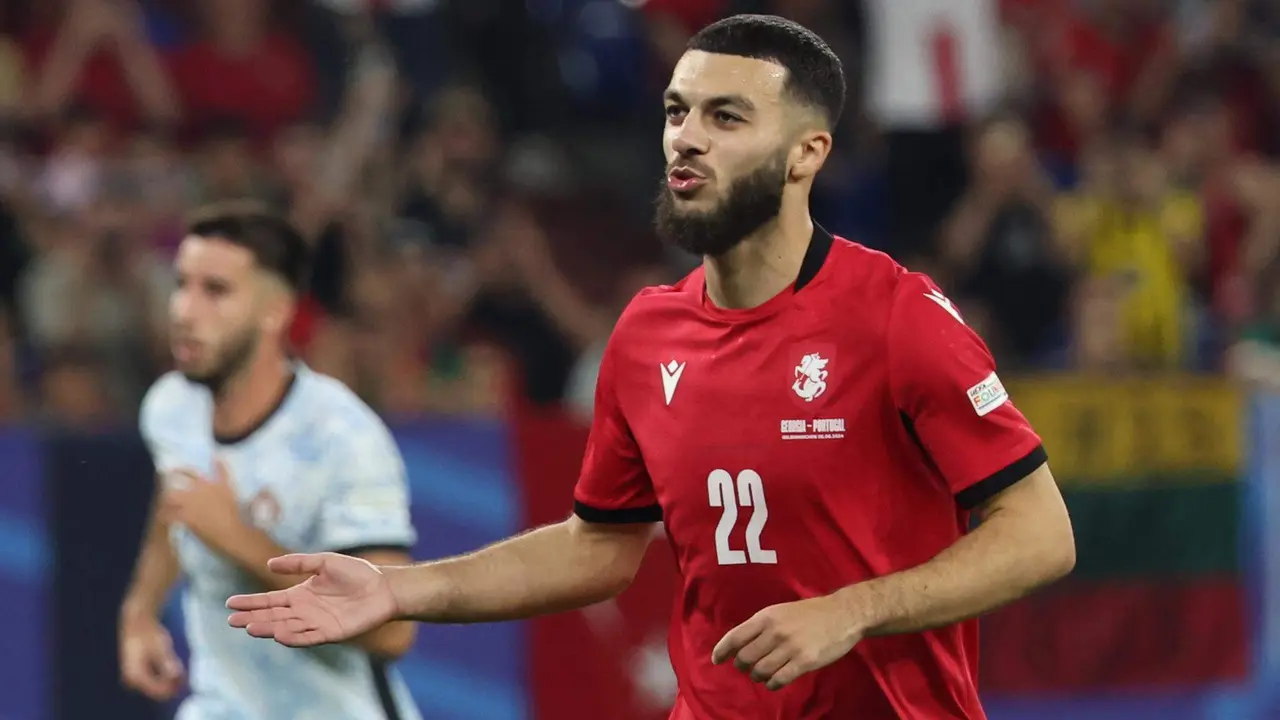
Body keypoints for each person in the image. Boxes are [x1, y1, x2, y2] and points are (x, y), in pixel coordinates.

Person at [226, 15, 1076, 720]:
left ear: (806, 154)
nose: (687, 138)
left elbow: (1041, 534)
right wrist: (399, 590)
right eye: (678, 112)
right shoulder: (644, 334)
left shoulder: (897, 317)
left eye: (727, 118)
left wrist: (852, 610)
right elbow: (599, 547)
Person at [118, 202, 422, 719]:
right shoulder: (172, 406)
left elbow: (394, 632)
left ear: (275, 312)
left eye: (215, 291)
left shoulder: (343, 438)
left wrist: (239, 537)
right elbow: (179, 506)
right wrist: (140, 612)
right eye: (181, 284)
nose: (184, 311)